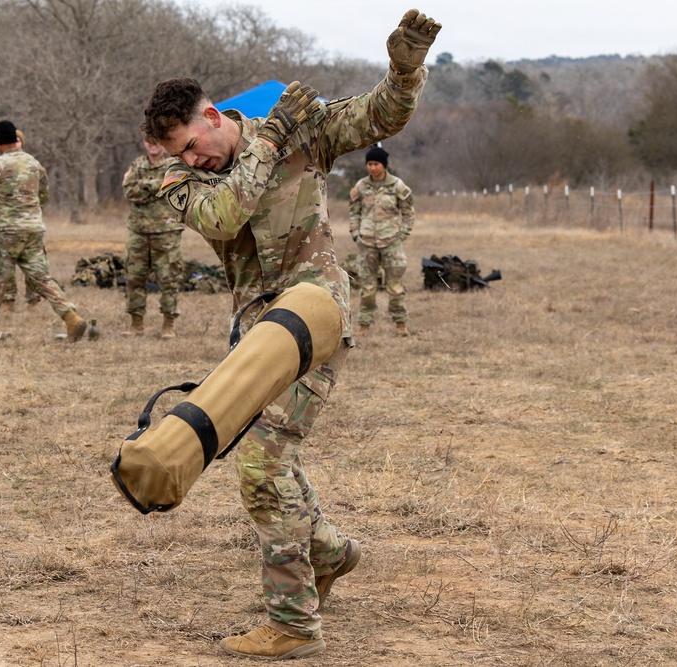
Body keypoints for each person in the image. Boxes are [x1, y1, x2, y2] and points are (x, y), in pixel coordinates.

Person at [141, 8, 439, 660]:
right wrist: (269, 138)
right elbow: (223, 217)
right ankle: (329, 550)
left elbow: (378, 116)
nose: (193, 158)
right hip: (257, 333)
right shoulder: (182, 175)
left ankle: (294, 623)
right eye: (181, 153)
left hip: (317, 313)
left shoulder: (300, 130)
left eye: (195, 143)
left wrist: (404, 71)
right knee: (275, 458)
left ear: (214, 114)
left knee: (257, 464)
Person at [0, 120, 88, 342]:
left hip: (7, 231)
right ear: (17, 139)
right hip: (34, 230)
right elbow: (43, 197)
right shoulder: (36, 165)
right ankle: (72, 318)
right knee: (41, 277)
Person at [349, 144, 415, 337]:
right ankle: (364, 325)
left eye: (376, 163)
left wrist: (402, 234)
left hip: (391, 242)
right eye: (369, 164)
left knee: (395, 287)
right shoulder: (361, 186)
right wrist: (355, 232)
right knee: (368, 287)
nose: (372, 167)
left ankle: (400, 324)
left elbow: (408, 212)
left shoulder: (396, 186)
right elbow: (354, 211)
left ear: (384, 165)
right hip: (367, 243)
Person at [121, 138, 184, 338]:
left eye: (156, 140)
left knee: (169, 279)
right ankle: (136, 324)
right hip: (138, 231)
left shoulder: (173, 165)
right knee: (134, 278)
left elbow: (173, 188)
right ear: (144, 143)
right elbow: (129, 192)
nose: (153, 144)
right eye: (149, 140)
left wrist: (144, 186)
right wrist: (157, 187)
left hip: (166, 231)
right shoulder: (137, 164)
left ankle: (169, 324)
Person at [1, 129, 42, 312]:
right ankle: (8, 300)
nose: (16, 142)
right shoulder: (0, 166)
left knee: (33, 265)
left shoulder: (33, 165)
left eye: (18, 140)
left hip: (29, 223)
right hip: (7, 224)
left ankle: (33, 300)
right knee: (6, 265)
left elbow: (43, 192)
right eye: (13, 140)